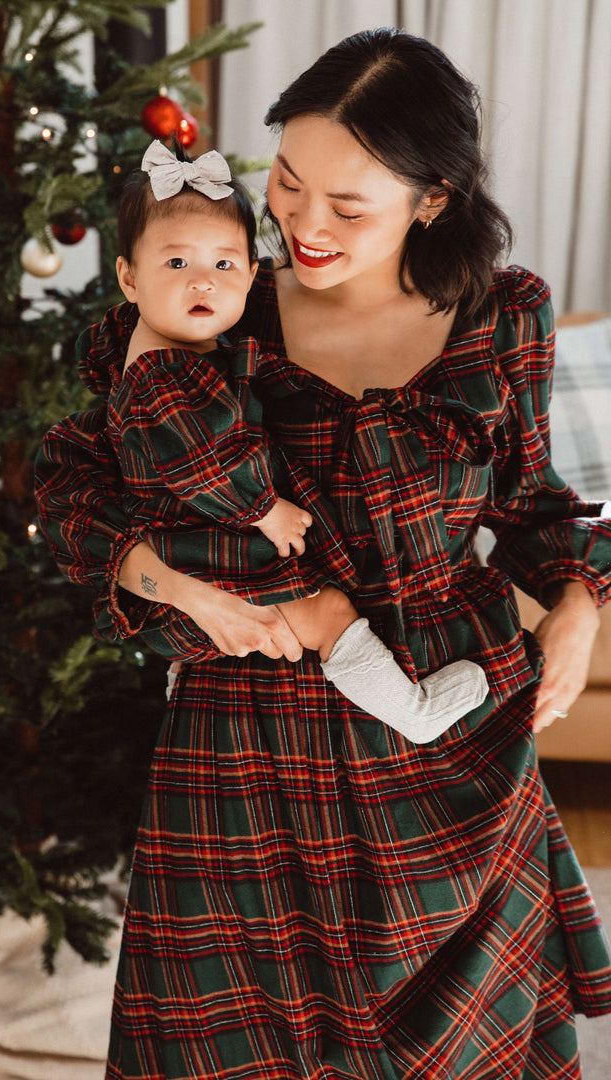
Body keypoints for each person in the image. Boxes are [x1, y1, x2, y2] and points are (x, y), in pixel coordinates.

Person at [36, 27, 611, 1080]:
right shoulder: (208, 301)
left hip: (451, 732)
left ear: (432, 200)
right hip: (248, 737)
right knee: (236, 1045)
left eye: (348, 206)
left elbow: (534, 507)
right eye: (288, 183)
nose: (301, 224)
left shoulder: (500, 314)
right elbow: (72, 495)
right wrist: (175, 589)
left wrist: (578, 606)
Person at [99, 138, 488, 742]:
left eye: (223, 265)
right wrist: (265, 511)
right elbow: (203, 463)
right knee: (329, 612)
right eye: (176, 265)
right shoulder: (160, 370)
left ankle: (184, 673)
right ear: (129, 277)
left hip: (208, 544)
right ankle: (413, 713)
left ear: (251, 275)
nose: (203, 282)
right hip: (214, 543)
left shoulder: (205, 350)